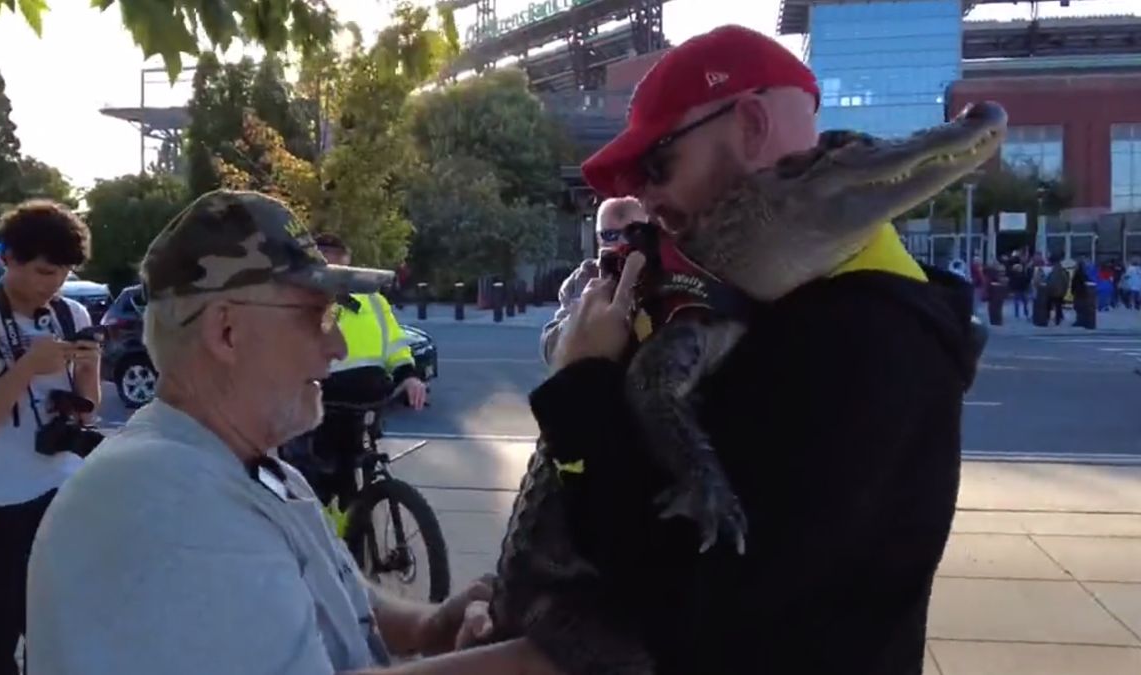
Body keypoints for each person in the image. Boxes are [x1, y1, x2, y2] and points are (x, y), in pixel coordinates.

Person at [537, 25, 979, 674]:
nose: (644, 200)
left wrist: (581, 388)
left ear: (747, 124)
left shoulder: (858, 341)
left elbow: (687, 612)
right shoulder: (762, 300)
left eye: (659, 165)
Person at [25, 190, 560, 675]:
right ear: (227, 332)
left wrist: (425, 628)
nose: (338, 348)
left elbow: (328, 589)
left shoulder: (242, 466)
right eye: (315, 317)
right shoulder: (163, 502)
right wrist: (544, 661)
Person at [0, 200, 100, 675]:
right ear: (6, 257)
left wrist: (89, 371)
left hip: (64, 500)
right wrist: (24, 369)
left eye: (63, 274)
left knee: (62, 644)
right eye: (43, 271)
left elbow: (85, 416)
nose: (51, 285)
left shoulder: (70, 314)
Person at [296, 233, 428, 506]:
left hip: (367, 398)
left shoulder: (373, 300)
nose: (337, 277)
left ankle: (350, 528)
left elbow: (395, 344)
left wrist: (409, 377)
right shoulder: (301, 301)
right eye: (327, 268)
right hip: (323, 403)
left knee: (346, 480)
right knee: (315, 483)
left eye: (342, 269)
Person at [540, 196, 647, 365]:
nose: (622, 243)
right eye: (611, 235)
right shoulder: (582, 279)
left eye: (633, 234)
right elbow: (550, 349)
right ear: (598, 239)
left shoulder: (662, 276)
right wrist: (582, 312)